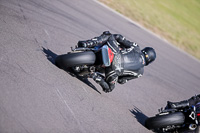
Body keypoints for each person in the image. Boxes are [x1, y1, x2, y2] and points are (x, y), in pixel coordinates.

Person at [77, 31, 156, 93]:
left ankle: (88, 43)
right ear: (149, 62)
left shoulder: (136, 47)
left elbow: (119, 37)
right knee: (109, 88)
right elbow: (121, 81)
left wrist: (115, 40)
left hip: (115, 53)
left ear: (144, 50)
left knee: (108, 35)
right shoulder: (140, 73)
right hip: (115, 70)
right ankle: (95, 76)